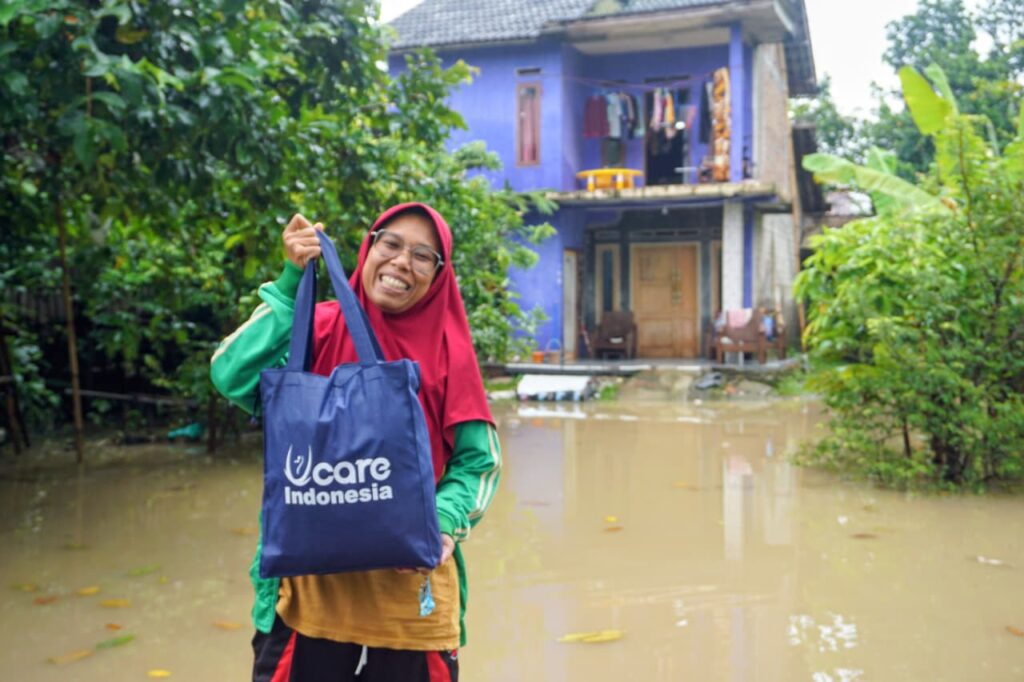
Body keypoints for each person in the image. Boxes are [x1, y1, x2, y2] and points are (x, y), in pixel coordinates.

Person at [210, 203, 501, 681]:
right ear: (369, 246)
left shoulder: (451, 353)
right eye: (391, 243)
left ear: (439, 274)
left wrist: (444, 523)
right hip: (309, 597)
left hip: (411, 602)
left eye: (423, 255)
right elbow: (230, 372)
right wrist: (289, 284)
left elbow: (479, 464)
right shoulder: (315, 326)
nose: (402, 262)